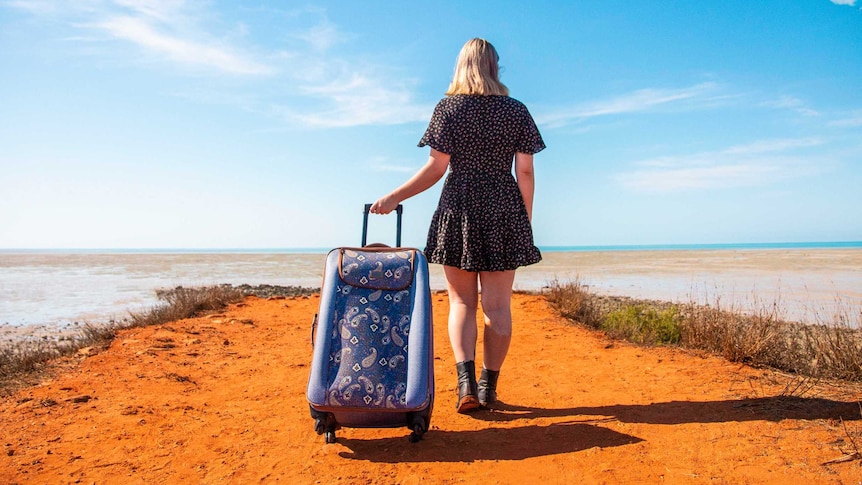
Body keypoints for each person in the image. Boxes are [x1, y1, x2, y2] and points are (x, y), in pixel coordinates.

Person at [370, 38, 545, 413]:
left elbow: (436, 168)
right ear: (494, 67)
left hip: (459, 207)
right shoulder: (516, 111)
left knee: (462, 302)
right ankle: (488, 388)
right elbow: (525, 171)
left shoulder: (448, 108)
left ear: (461, 66)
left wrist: (395, 196)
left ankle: (465, 385)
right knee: (497, 307)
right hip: (503, 207)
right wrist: (523, 221)